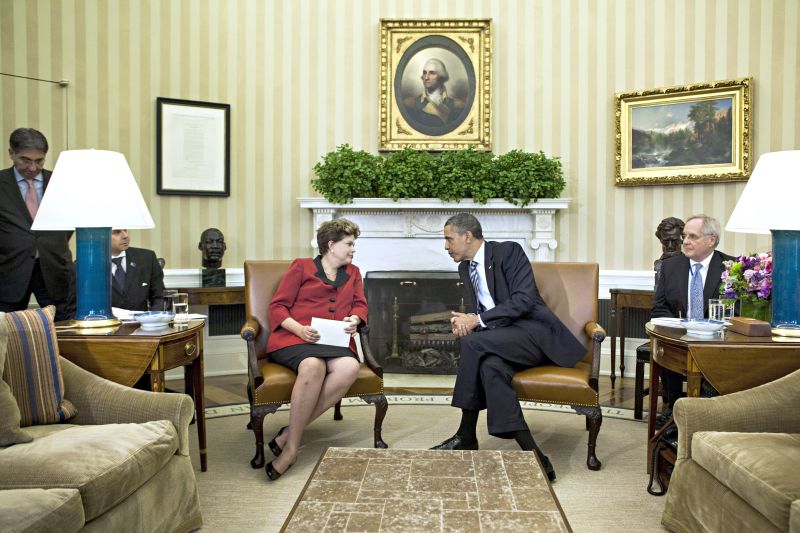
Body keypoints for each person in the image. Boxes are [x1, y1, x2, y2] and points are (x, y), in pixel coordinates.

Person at [430, 213, 585, 482]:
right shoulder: (465, 268)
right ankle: (533, 453)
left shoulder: (507, 252)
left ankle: (465, 433)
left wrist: (476, 322)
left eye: (448, 239)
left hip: (534, 335)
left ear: (467, 236)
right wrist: (466, 322)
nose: (445, 246)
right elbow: (483, 312)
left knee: (473, 344)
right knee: (490, 368)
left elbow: (524, 301)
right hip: (503, 340)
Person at [264, 218, 367, 481]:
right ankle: (291, 449)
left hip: (334, 341)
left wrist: (354, 319)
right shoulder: (300, 267)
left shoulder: (353, 272)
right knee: (312, 365)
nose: (353, 249)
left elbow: (359, 305)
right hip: (295, 338)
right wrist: (299, 329)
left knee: (350, 367)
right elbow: (277, 307)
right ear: (331, 245)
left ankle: (289, 433)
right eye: (349, 244)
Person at [651, 214, 733, 412]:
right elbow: (659, 308)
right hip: (680, 338)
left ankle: (710, 412)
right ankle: (673, 411)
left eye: (692, 237)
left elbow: (736, 311)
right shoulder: (670, 267)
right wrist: (682, 327)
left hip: (716, 343)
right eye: (685, 236)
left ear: (711, 240)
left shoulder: (730, 267)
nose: (685, 241)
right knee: (667, 349)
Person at [0, 128, 75, 321]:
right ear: (11, 154)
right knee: (7, 333)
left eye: (39, 161)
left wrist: (50, 243)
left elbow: (69, 224)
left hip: (54, 268)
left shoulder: (61, 182)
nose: (33, 167)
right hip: (9, 270)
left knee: (63, 327)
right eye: (25, 160)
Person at [110, 229, 165, 311]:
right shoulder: (89, 262)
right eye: (117, 232)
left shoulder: (147, 258)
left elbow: (159, 297)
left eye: (125, 230)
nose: (125, 236)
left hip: (143, 322)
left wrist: (152, 319)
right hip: (106, 322)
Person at [404, 58, 465, 130]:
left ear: (441, 77)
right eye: (424, 73)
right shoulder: (411, 104)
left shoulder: (457, 105)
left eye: (432, 73)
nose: (426, 77)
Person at [653, 217, 685, 281]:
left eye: (675, 241)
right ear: (660, 239)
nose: (670, 246)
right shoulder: (659, 265)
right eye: (666, 241)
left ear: (683, 239)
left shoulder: (690, 264)